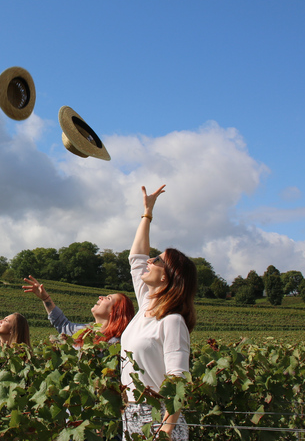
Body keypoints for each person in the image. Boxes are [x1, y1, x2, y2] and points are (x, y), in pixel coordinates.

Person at [120, 185, 197, 440]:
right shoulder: (146, 306)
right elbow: (136, 257)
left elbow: (178, 380)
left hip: (159, 418)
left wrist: (165, 430)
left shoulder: (172, 321)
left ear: (167, 275)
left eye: (157, 260)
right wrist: (147, 213)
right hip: (132, 414)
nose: (149, 260)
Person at [22, 275, 134, 346]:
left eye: (108, 298)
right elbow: (62, 324)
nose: (101, 297)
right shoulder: (83, 331)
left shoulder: (115, 343)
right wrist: (46, 299)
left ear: (115, 312)